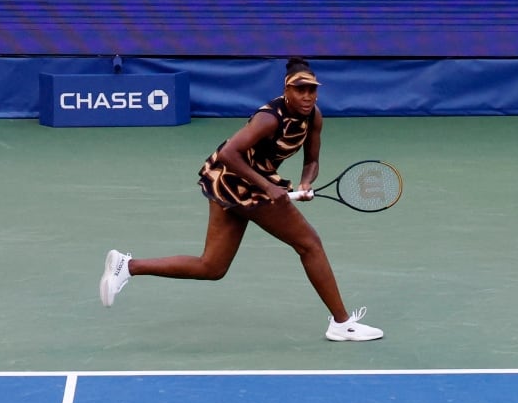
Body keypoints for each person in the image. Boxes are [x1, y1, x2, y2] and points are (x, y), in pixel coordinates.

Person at [99, 57, 382, 342]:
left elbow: (312, 161)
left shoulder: (313, 117)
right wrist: (268, 187)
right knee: (309, 245)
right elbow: (228, 154)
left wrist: (306, 182)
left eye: (312, 90)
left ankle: (128, 266)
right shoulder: (269, 118)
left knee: (212, 267)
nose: (307, 96)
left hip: (239, 182)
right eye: (300, 90)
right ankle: (342, 323)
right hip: (236, 179)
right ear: (287, 90)